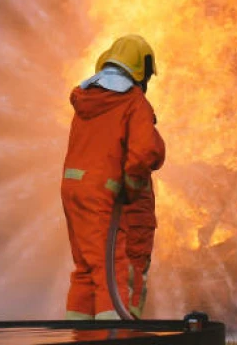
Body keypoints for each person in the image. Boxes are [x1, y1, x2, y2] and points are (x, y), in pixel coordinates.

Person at [61, 34, 165, 320]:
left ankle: (79, 334)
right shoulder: (133, 103)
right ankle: (115, 334)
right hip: (103, 194)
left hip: (73, 190)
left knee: (86, 267)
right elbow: (143, 153)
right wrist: (130, 190)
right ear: (140, 69)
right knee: (113, 269)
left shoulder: (85, 99)